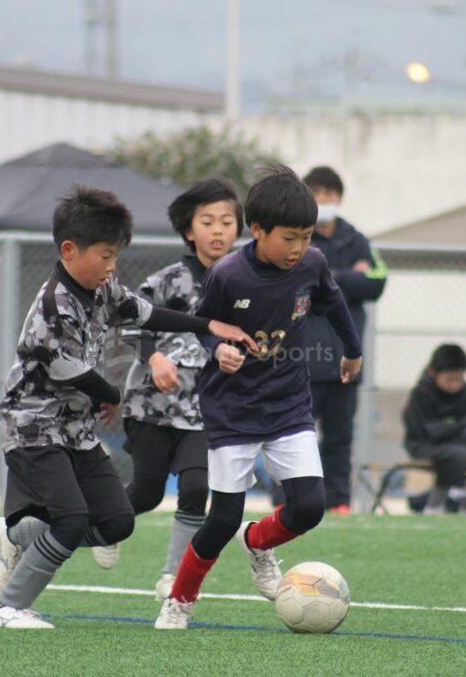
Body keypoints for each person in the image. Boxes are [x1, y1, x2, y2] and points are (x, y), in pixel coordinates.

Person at [0, 186, 254, 630]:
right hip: (32, 426)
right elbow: (66, 369)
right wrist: (111, 394)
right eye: (105, 256)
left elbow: (147, 314)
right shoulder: (54, 305)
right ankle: (5, 608)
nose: (112, 266)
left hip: (75, 428)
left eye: (116, 256)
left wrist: (208, 324)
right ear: (69, 250)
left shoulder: (102, 288)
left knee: (116, 522)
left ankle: (13, 535)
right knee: (71, 521)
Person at [154, 165, 363, 630]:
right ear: (258, 230)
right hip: (233, 409)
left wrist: (353, 351)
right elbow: (205, 327)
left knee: (309, 507)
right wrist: (219, 348)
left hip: (288, 404)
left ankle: (258, 541)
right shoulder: (228, 275)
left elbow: (334, 303)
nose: (298, 248)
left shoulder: (312, 264)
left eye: (306, 237)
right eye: (289, 238)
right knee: (221, 519)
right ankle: (180, 600)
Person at [109, 179, 242, 599]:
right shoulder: (168, 280)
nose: (218, 230)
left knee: (197, 488)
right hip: (152, 406)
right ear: (189, 230)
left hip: (206, 412)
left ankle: (172, 577)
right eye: (207, 221)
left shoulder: (244, 283)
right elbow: (130, 321)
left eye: (227, 222)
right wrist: (154, 358)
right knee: (146, 495)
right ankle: (106, 525)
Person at [301, 166, 387, 513]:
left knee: (340, 438)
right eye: (316, 193)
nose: (323, 200)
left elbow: (377, 281)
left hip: (345, 361)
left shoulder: (356, 238)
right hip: (302, 360)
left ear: (339, 198)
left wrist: (329, 277)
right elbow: (298, 282)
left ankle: (338, 502)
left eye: (329, 194)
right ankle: (292, 501)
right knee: (295, 439)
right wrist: (349, 276)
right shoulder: (297, 236)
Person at [402, 344, 466, 515]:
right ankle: (434, 506)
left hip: (462, 445)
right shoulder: (421, 394)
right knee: (456, 455)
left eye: (459, 378)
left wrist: (449, 429)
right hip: (424, 445)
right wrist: (454, 428)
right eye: (450, 379)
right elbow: (423, 430)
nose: (455, 384)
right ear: (433, 372)